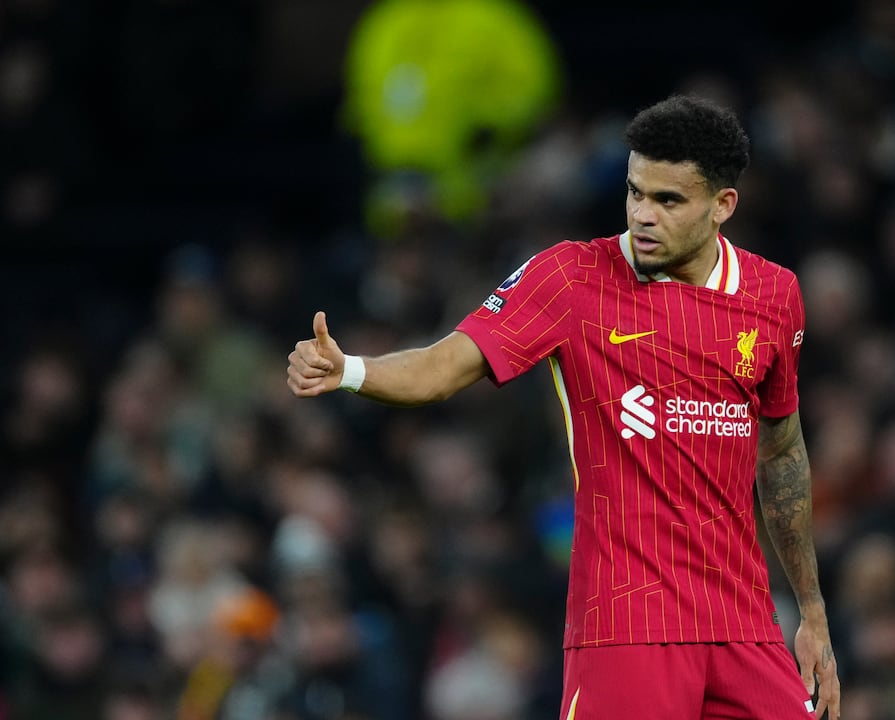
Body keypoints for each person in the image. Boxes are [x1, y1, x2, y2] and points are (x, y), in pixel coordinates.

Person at [287, 95, 841, 719]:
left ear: (723, 206)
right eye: (634, 193)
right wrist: (350, 370)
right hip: (627, 625)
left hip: (743, 625)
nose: (642, 216)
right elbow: (442, 369)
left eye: (668, 200)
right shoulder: (573, 278)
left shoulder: (774, 296)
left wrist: (813, 614)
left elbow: (783, 451)